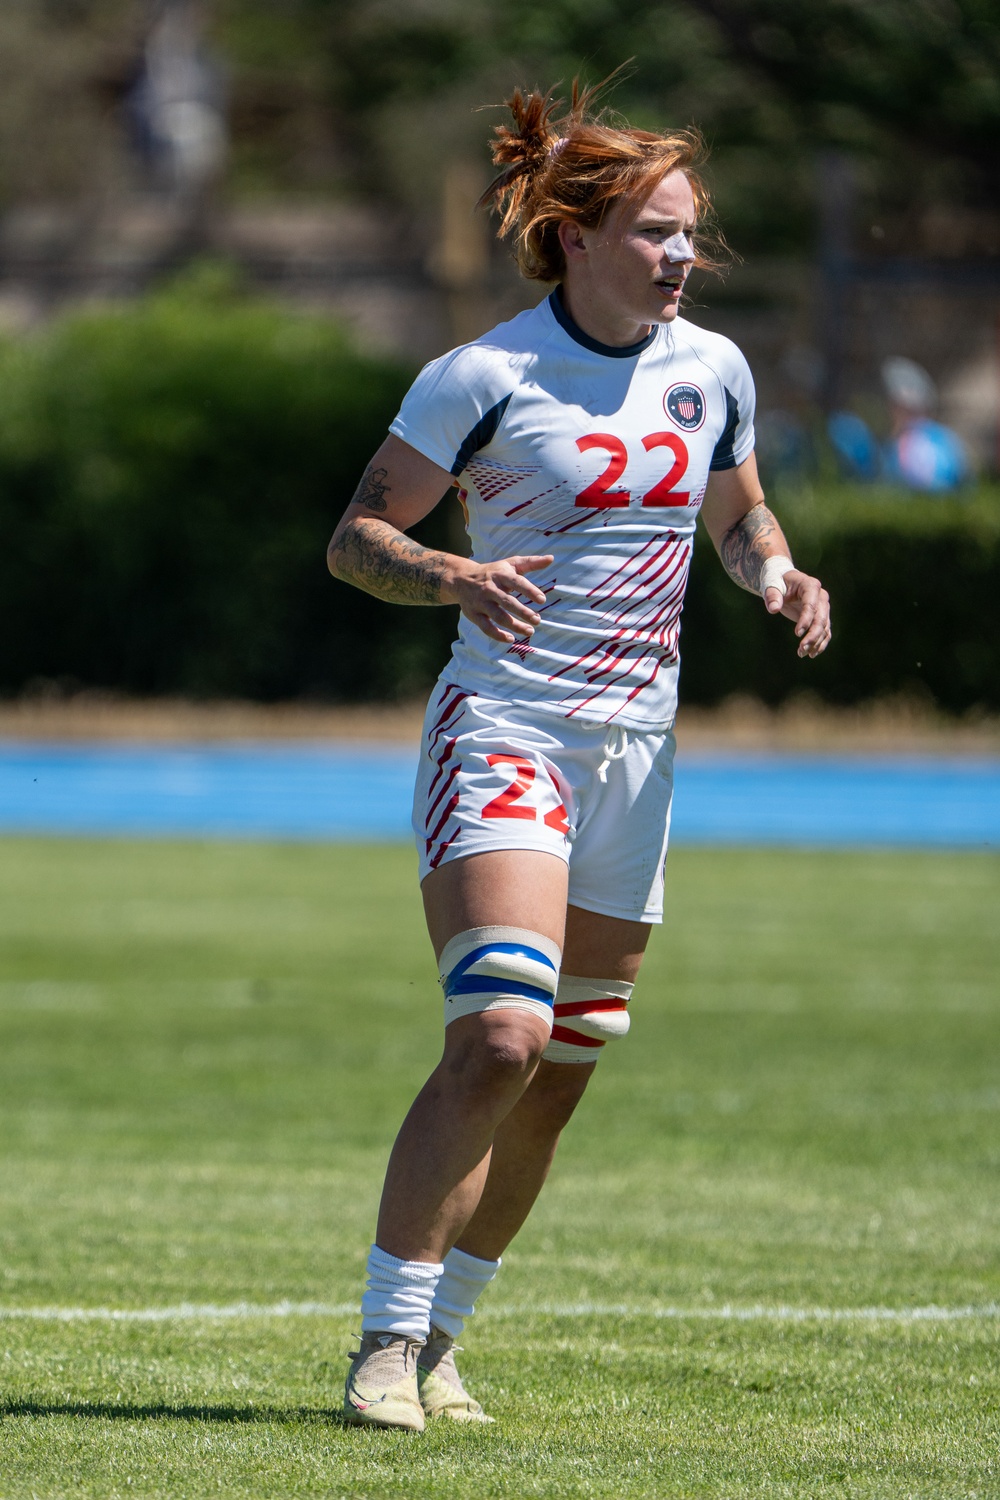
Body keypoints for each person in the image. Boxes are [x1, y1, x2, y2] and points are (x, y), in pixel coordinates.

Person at [327, 81, 831, 1432]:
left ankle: (442, 1343)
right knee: (500, 1034)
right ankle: (383, 1345)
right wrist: (451, 574)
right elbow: (356, 539)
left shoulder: (711, 371)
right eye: (659, 231)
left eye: (691, 233)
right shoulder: (483, 377)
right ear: (578, 234)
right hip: (506, 730)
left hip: (637, 759)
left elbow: (741, 518)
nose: (683, 256)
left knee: (564, 1067)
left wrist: (776, 573)